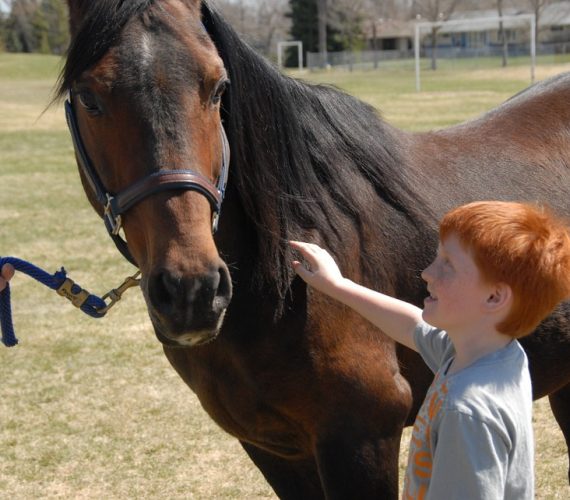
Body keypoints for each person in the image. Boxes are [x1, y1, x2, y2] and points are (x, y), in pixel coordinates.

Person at [290, 200, 570, 499]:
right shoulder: (492, 354)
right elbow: (411, 325)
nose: (427, 273)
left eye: (448, 265)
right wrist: (337, 285)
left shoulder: (467, 413)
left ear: (494, 297)